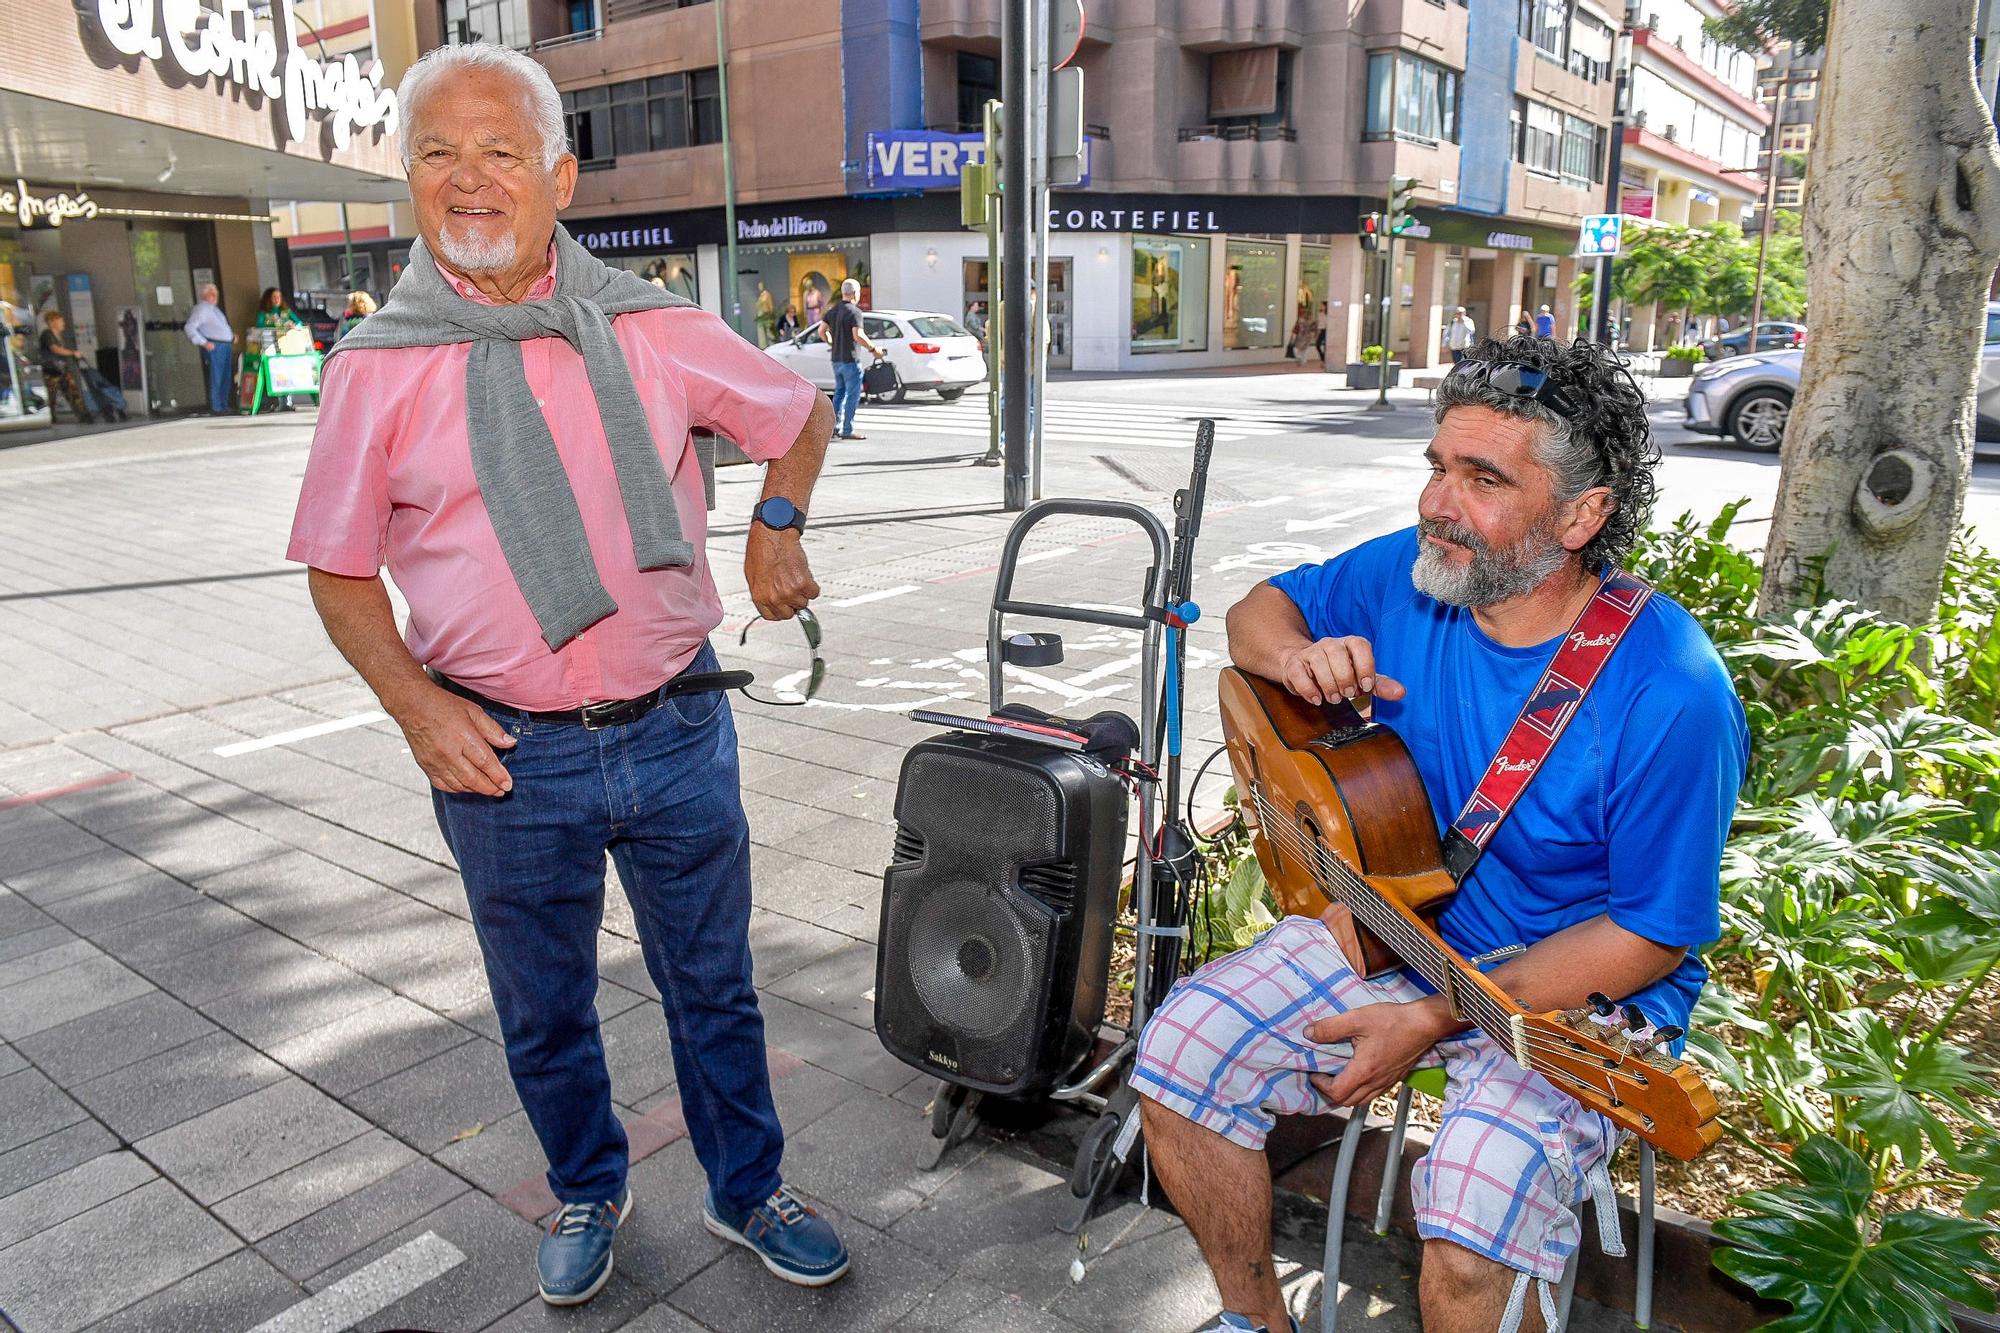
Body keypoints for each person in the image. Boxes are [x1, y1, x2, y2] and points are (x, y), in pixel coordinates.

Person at [287, 42, 847, 1308]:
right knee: (540, 1005)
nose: (468, 180)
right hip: (500, 751)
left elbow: (794, 415)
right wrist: (418, 708)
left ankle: (746, 1185)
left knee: (713, 985)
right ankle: (587, 1184)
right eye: (437, 153)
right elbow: (335, 571)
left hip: (671, 727)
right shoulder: (375, 364)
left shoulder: (654, 328)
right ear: (409, 181)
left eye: (498, 151)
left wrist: (777, 521)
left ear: (560, 176)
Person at [1134, 335, 1748, 1333]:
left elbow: (1647, 933)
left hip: (1564, 991)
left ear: (1580, 514)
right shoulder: (1413, 573)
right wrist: (1297, 659)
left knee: (1465, 1236)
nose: (1435, 502)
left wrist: (1431, 1017)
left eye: (1481, 478)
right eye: (1435, 465)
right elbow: (1254, 613)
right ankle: (1254, 1321)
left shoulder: (1669, 689)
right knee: (1179, 1057)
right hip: (1395, 916)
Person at [817, 277, 884, 441]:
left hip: (836, 359)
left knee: (839, 393)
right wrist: (873, 349)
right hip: (850, 359)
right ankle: (848, 429)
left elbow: (821, 331)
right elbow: (858, 335)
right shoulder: (854, 312)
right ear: (854, 293)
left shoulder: (832, 311)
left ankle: (834, 427)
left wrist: (832, 342)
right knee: (853, 395)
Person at [37, 311, 104, 423]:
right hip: (52, 370)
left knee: (73, 391)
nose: (63, 323)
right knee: (52, 395)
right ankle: (50, 416)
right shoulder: (47, 334)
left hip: (62, 369)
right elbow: (54, 349)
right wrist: (72, 353)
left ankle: (83, 415)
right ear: (52, 322)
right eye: (60, 320)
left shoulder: (58, 335)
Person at [183, 283, 236, 415]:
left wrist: (231, 336)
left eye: (216, 294)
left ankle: (223, 405)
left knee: (225, 376)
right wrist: (204, 342)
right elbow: (190, 327)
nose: (215, 296)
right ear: (204, 295)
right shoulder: (202, 309)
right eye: (212, 294)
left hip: (225, 345)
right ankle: (216, 406)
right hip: (215, 346)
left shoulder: (214, 309)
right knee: (217, 376)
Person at [249, 287, 305, 411]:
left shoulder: (286, 311)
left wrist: (293, 325)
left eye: (278, 297)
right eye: (274, 297)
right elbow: (259, 325)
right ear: (268, 299)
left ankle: (287, 401)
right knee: (274, 374)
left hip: (286, 347)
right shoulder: (264, 313)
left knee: (287, 373)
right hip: (270, 348)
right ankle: (275, 402)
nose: (276, 300)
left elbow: (300, 323)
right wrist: (272, 323)